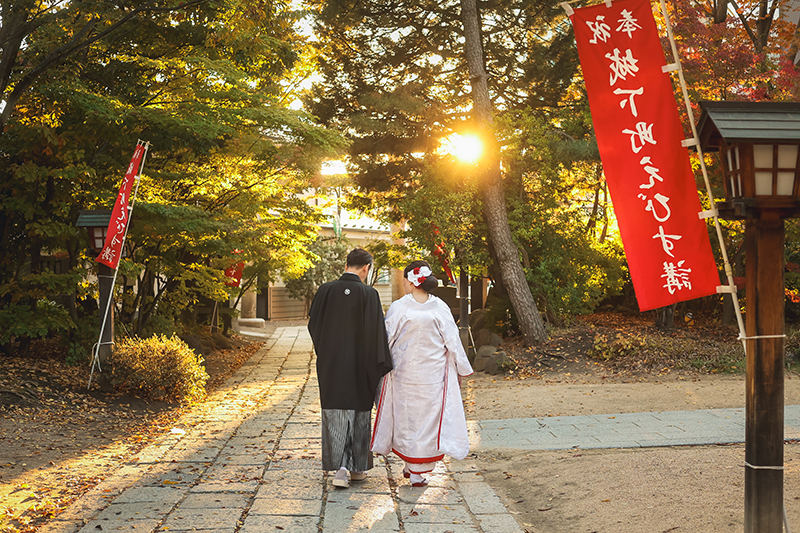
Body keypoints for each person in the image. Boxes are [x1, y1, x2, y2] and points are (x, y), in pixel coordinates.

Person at [370, 260, 474, 487]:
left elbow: (386, 339)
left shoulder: (399, 307)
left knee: (407, 420)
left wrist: (377, 363)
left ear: (409, 281)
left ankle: (413, 467)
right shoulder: (439, 307)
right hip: (432, 374)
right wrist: (462, 367)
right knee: (428, 420)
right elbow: (453, 341)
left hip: (404, 373)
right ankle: (415, 468)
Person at [307, 248, 393, 489]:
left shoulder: (325, 290)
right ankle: (354, 469)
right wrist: (376, 364)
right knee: (358, 413)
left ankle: (340, 468)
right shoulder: (369, 294)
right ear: (366, 268)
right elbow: (377, 334)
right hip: (360, 363)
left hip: (331, 362)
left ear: (347, 264)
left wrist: (326, 350)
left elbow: (314, 325)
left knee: (335, 410)